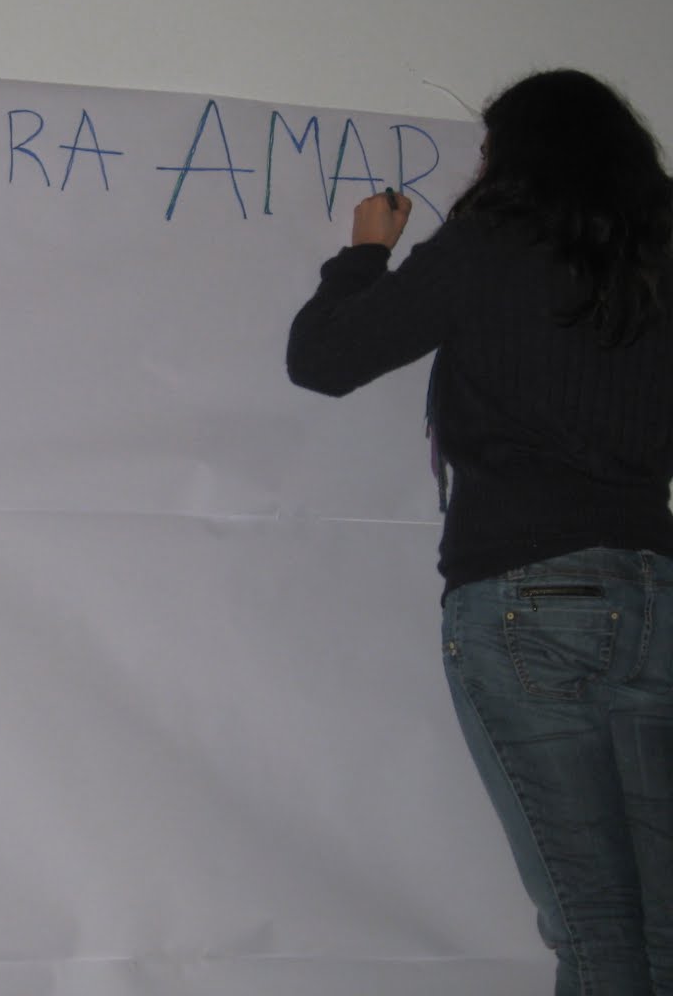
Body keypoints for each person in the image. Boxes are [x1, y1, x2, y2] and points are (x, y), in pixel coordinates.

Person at [286, 69, 673, 995]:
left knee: (595, 927)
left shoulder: (492, 241)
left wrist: (363, 254)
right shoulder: (660, 259)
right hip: (657, 594)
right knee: (662, 929)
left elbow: (324, 359)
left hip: (529, 594)